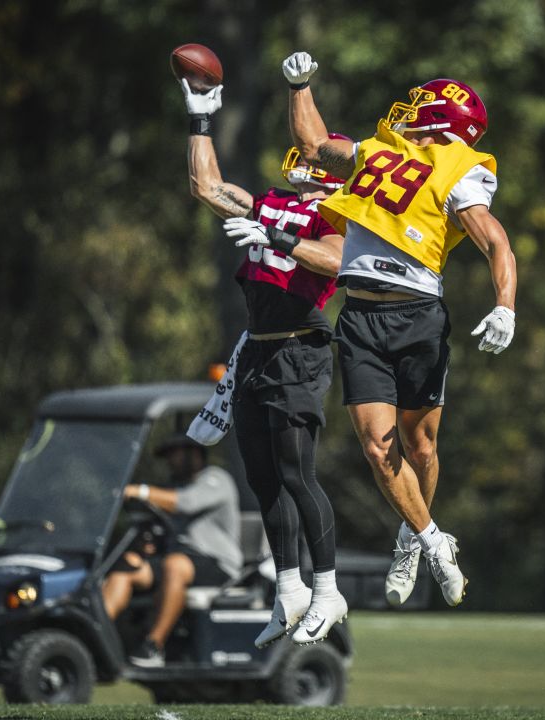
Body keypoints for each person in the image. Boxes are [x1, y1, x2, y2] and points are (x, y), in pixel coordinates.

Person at [281, 52, 519, 610]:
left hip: (417, 315)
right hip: (360, 315)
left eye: (421, 107)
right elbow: (317, 147)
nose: (408, 111)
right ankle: (434, 540)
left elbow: (495, 240)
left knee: (421, 446)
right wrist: (300, 86)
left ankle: (410, 539)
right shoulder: (378, 151)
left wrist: (505, 304)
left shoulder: (461, 167)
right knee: (375, 446)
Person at [178, 76, 351, 645]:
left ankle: (328, 591)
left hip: (300, 344)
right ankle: (289, 589)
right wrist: (201, 118)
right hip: (257, 344)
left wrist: (274, 237)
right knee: (263, 478)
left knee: (299, 473)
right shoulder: (273, 202)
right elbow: (207, 187)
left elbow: (335, 260)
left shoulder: (340, 211)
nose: (301, 162)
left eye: (312, 156)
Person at [100, 434, 242, 667]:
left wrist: (141, 491)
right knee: (129, 564)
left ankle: (153, 646)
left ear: (193, 453)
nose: (169, 462)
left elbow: (185, 503)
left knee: (175, 564)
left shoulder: (216, 479)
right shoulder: (172, 486)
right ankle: (99, 636)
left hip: (217, 563)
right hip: (177, 562)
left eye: (173, 456)